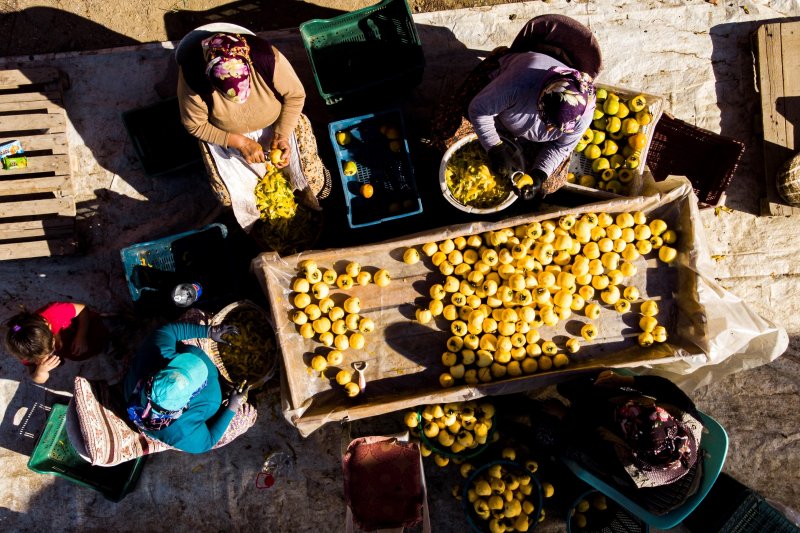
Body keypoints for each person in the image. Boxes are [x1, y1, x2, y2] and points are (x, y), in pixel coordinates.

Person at [432, 14, 602, 201]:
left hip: (519, 126)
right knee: (443, 131)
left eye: (556, 128)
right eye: (547, 122)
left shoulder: (583, 111)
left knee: (550, 183)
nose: (549, 130)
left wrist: (538, 174)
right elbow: (479, 110)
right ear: (540, 100)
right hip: (493, 100)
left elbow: (560, 147)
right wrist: (495, 148)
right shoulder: (519, 82)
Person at [176, 25, 327, 201]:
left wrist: (281, 135)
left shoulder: (266, 59)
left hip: (278, 122)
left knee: (312, 180)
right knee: (227, 196)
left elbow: (295, 96)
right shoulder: (193, 79)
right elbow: (195, 125)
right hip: (227, 137)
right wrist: (241, 142)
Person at [558, 370, 704, 512]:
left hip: (662, 498)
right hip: (680, 462)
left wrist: (563, 414)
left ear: (631, 448)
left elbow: (588, 443)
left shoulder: (628, 466)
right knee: (576, 387)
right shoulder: (687, 415)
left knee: (558, 437)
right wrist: (622, 381)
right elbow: (664, 386)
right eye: (642, 406)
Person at [122, 321, 251, 454]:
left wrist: (209, 331)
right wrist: (233, 406)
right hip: (217, 405)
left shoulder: (155, 352)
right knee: (247, 414)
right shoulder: (182, 434)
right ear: (182, 405)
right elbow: (208, 441)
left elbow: (170, 330)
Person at [4, 302, 110, 384]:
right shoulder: (25, 350)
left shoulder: (55, 312)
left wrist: (81, 336)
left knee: (99, 338)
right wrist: (41, 371)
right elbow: (35, 377)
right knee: (79, 353)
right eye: (40, 358)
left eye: (50, 351)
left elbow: (83, 309)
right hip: (67, 343)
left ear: (50, 329)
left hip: (85, 326)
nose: (42, 359)